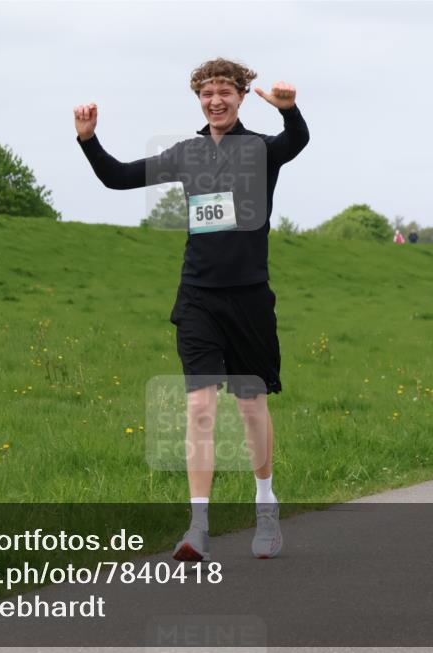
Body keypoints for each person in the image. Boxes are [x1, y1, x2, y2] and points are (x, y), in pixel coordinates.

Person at [74, 58, 309, 561]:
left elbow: (297, 142)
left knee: (250, 407)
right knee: (200, 407)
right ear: (198, 99)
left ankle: (266, 505)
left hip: (248, 297)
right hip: (198, 296)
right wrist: (89, 140)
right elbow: (118, 178)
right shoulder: (187, 154)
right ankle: (197, 524)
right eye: (207, 93)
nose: (216, 100)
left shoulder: (261, 149)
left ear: (242, 96)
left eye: (225, 91)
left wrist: (290, 113)